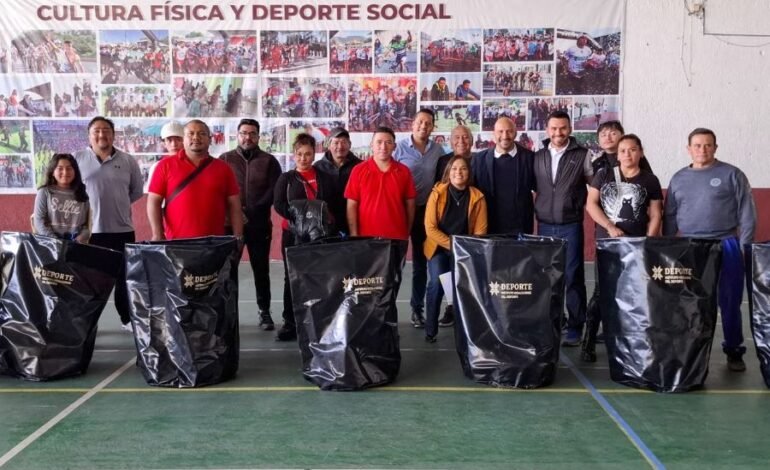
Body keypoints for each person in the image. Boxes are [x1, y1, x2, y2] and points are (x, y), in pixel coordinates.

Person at [663, 128, 756, 372]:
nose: (702, 150)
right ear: (688, 149)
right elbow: (670, 215)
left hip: (726, 244)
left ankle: (734, 350)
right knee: (690, 302)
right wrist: (668, 246)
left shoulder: (732, 174)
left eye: (707, 145)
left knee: (730, 301)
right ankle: (692, 351)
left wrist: (744, 246)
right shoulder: (678, 178)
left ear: (715, 147)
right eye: (697, 145)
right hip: (690, 247)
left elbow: (747, 213)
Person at [582, 134, 663, 361]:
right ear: (617, 155)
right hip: (608, 245)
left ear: (641, 152)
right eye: (623, 150)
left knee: (635, 293)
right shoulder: (604, 174)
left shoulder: (650, 180)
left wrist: (647, 242)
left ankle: (630, 342)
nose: (628, 154)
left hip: (636, 246)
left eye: (633, 150)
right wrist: (609, 227)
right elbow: (591, 204)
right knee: (601, 292)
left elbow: (656, 214)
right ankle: (588, 341)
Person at [74, 117, 143, 330]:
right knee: (88, 280)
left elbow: (136, 191)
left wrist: (117, 204)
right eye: (96, 131)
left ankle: (126, 319)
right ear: (89, 135)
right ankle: (87, 322)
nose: (101, 134)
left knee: (123, 279)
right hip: (89, 232)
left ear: (113, 135)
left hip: (122, 230)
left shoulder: (128, 160)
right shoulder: (77, 158)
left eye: (106, 130)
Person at [533, 111, 593, 347]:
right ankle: (553, 323)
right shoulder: (538, 156)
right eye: (554, 128)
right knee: (547, 278)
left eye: (563, 128)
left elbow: (595, 186)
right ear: (547, 130)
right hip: (544, 226)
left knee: (572, 276)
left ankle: (576, 327)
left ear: (570, 129)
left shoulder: (583, 155)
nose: (558, 133)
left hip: (570, 225)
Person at [273, 133, 338, 342]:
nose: (304, 158)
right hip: (293, 236)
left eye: (308, 154)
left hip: (319, 236)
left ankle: (318, 321)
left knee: (318, 277)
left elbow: (332, 203)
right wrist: (301, 217)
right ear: (294, 155)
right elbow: (279, 204)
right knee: (291, 277)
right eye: (300, 154)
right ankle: (290, 322)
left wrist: (324, 221)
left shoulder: (324, 177)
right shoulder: (286, 179)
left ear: (314, 154)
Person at [220, 118, 283, 331]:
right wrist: (236, 212)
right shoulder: (225, 159)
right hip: (230, 226)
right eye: (244, 133)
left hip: (259, 225)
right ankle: (228, 314)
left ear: (258, 136)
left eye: (252, 133)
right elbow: (219, 191)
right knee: (228, 271)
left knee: (261, 269)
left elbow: (275, 190)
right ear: (237, 135)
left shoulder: (269, 161)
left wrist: (252, 211)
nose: (248, 137)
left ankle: (264, 312)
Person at [424, 155, 487, 342]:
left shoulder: (478, 197)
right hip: (439, 249)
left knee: (465, 289)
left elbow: (480, 232)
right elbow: (430, 229)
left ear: (469, 173)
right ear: (448, 172)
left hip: (465, 252)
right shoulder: (437, 194)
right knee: (436, 284)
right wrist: (452, 245)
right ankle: (430, 330)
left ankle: (466, 330)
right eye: (454, 169)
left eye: (463, 169)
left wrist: (461, 249)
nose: (458, 172)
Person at [147, 119, 243, 240]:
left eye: (202, 134)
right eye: (191, 134)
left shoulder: (223, 168)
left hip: (214, 243)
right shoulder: (164, 166)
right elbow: (153, 201)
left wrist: (238, 236)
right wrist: (157, 234)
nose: (196, 137)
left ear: (210, 139)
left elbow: (234, 205)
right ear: (184, 139)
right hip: (176, 243)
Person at [394, 108, 444, 328]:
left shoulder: (438, 150)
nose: (424, 126)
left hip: (426, 214)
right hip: (402, 212)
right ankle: (386, 310)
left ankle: (417, 310)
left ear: (432, 127)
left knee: (421, 264)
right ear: (412, 124)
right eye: (420, 122)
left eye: (428, 123)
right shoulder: (399, 148)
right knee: (395, 263)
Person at [345, 126, 416, 241]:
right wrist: (354, 234)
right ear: (371, 145)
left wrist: (406, 232)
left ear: (394, 146)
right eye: (379, 142)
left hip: (397, 237)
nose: (383, 147)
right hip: (366, 238)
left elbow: (410, 205)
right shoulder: (358, 170)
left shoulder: (404, 171)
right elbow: (352, 205)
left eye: (388, 142)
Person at [471, 116, 535, 235]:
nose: (505, 136)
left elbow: (539, 188)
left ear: (515, 133)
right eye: (500, 131)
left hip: (520, 230)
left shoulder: (530, 158)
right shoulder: (479, 160)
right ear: (493, 134)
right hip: (488, 228)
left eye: (509, 131)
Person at [313, 127, 362, 234]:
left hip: (354, 222)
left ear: (350, 145)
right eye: (336, 142)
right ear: (329, 145)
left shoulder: (360, 167)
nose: (340, 146)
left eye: (344, 142)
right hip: (326, 225)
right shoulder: (318, 167)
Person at [33, 153, 91, 242]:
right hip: (50, 243)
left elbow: (86, 227)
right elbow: (39, 222)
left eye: (69, 168)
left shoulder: (82, 194)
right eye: (60, 168)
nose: (65, 172)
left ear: (75, 172)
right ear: (52, 172)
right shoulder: (45, 192)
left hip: (75, 244)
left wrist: (79, 239)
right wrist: (55, 241)